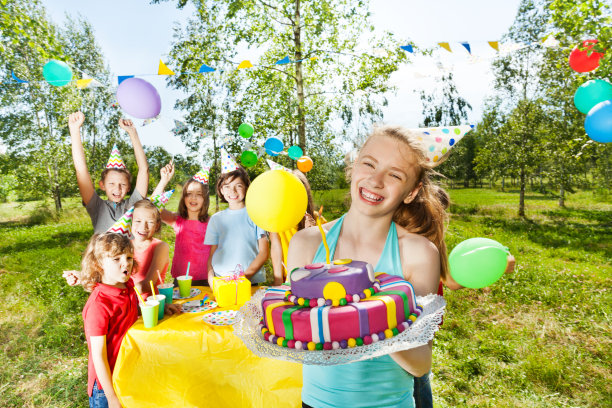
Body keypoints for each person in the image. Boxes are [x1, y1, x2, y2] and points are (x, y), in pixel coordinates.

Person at [288, 124, 513, 407]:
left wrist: (369, 319)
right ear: (353, 167)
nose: (376, 180)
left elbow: (420, 364)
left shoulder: (418, 254)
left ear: (411, 191)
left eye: (395, 175)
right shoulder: (305, 244)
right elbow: (295, 335)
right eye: (369, 164)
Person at [80, 233, 180, 408]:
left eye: (128, 257)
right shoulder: (99, 305)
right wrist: (111, 398)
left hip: (127, 371)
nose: (125, 263)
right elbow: (98, 356)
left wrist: (160, 310)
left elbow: (133, 311)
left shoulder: (128, 286)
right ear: (98, 264)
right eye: (116, 259)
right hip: (106, 385)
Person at [68, 111, 149, 233]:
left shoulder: (133, 205)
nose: (117, 189)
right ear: (102, 185)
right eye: (111, 183)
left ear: (128, 188)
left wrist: (133, 132)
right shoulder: (96, 206)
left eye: (122, 184)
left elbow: (144, 170)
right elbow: (81, 171)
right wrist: (74, 130)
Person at [205, 165, 269, 287]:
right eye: (227, 186)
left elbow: (264, 253)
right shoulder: (216, 219)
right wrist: (210, 277)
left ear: (246, 188)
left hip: (249, 281)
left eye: (238, 186)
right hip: (221, 281)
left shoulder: (256, 215)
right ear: (221, 190)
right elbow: (212, 254)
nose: (232, 191)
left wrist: (243, 278)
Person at [151, 162, 212, 285]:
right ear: (183, 197)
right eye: (189, 194)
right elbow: (153, 206)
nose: (193, 198)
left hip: (206, 279)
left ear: (205, 199)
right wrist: (163, 181)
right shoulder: (176, 219)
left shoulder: (212, 222)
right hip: (181, 280)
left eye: (199, 194)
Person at [269, 169, 318, 285]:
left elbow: (325, 255)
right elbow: (277, 254)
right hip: (288, 281)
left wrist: (312, 233)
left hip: (314, 278)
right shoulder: (277, 222)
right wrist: (278, 281)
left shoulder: (317, 219)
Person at [129, 199, 170, 298]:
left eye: (150, 222)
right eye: (138, 221)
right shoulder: (125, 246)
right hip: (129, 306)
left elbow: (148, 285)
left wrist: (121, 293)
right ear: (131, 222)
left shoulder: (160, 247)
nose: (143, 226)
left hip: (153, 305)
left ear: (157, 225)